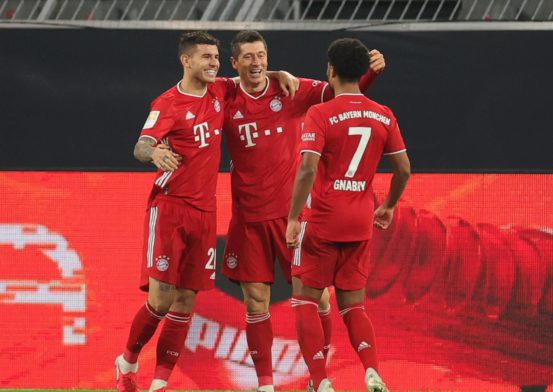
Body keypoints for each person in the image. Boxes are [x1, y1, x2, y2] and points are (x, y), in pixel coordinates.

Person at [112, 31, 297, 392]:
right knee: (161, 299)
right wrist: (154, 154)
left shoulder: (220, 91)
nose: (213, 63)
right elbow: (142, 144)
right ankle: (128, 361)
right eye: (206, 57)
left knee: (185, 301)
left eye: (215, 57)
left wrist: (279, 74)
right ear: (186, 61)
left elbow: (252, 73)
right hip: (170, 209)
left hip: (205, 213)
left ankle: (160, 383)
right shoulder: (168, 102)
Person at [220, 30, 385, 392]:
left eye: (261, 55)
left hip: (290, 215)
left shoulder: (290, 91)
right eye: (247, 56)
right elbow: (196, 87)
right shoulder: (226, 95)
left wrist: (369, 73)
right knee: (255, 302)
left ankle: (317, 377)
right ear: (234, 63)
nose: (256, 62)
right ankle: (266, 385)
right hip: (248, 218)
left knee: (318, 298)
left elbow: (341, 95)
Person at [286, 38, 410, 392]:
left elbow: (308, 168)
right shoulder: (383, 113)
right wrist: (387, 206)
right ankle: (371, 371)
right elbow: (403, 168)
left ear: (331, 71)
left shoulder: (321, 113)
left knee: (305, 299)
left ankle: (321, 381)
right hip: (360, 221)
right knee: (353, 306)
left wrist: (294, 217)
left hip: (322, 219)